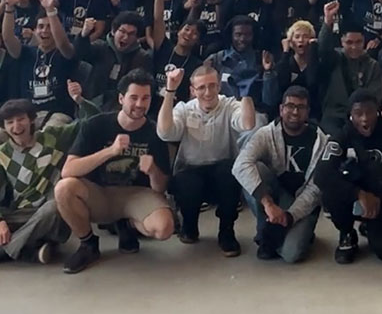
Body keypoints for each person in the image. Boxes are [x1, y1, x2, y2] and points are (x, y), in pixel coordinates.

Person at [54, 69, 175, 273]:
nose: (139, 104)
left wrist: (153, 169)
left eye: (145, 98)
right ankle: (88, 244)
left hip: (136, 194)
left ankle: (126, 223)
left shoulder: (155, 133)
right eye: (133, 97)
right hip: (99, 193)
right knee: (64, 188)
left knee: (164, 229)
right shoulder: (95, 125)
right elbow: (68, 170)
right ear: (121, 98)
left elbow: (160, 188)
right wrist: (109, 152)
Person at [157, 65, 256, 256]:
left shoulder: (229, 105)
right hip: (191, 170)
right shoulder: (184, 109)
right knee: (186, 182)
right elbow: (164, 132)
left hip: (221, 170)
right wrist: (170, 91)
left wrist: (246, 95)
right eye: (201, 87)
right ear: (193, 90)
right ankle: (190, 225)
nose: (208, 92)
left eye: (212, 86)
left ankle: (226, 231)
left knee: (230, 172)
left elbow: (247, 124)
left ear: (219, 87)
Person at [315, 90, 382, 264]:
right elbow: (321, 175)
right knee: (330, 190)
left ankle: (371, 227)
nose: (364, 119)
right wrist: (358, 194)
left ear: (377, 111)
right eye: (358, 114)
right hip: (356, 194)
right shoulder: (342, 136)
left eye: (369, 112)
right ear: (350, 115)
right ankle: (347, 232)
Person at [0, 83, 97, 263]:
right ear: (4, 127)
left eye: (20, 119)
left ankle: (6, 252)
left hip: (50, 213)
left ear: (31, 120)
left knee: (53, 208)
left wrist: (79, 100)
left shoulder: (53, 137)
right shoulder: (2, 154)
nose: (16, 126)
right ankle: (32, 249)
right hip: (20, 213)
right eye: (9, 122)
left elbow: (93, 121)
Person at [233, 85, 329, 263]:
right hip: (275, 195)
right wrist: (268, 203)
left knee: (291, 255)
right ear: (281, 109)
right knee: (255, 169)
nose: (294, 112)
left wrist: (290, 216)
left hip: (303, 201)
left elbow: (316, 188)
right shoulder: (266, 134)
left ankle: (291, 231)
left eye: (300, 107)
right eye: (290, 106)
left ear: (308, 112)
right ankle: (266, 231)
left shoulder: (321, 141)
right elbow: (239, 165)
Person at [1, 0, 80, 132]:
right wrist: (9, 7)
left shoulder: (65, 52)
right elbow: (7, 38)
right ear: (35, 30)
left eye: (49, 27)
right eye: (41, 27)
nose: (45, 31)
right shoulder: (26, 52)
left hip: (58, 114)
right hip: (26, 114)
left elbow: (62, 42)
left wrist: (50, 11)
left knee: (48, 135)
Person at [316, 2, 382, 136]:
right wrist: (327, 23)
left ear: (364, 41)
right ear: (342, 42)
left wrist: (360, 115)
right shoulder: (334, 57)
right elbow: (322, 49)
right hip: (335, 115)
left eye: (358, 42)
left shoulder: (372, 65)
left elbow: (375, 97)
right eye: (349, 42)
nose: (354, 47)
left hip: (362, 117)